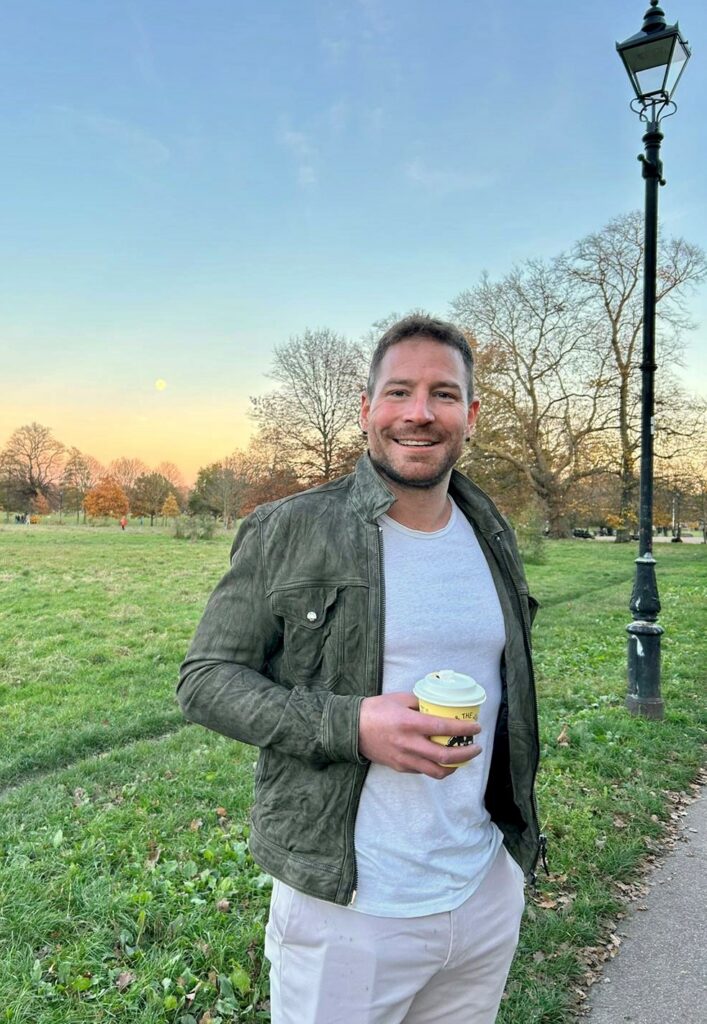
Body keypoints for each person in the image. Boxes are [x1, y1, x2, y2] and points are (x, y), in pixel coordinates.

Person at [178, 315, 543, 1024]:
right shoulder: (289, 528)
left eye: (442, 394)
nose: (418, 413)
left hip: (479, 890)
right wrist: (350, 724)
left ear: (468, 415)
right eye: (398, 391)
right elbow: (205, 679)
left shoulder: (488, 529)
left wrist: (502, 869)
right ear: (367, 410)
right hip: (348, 911)